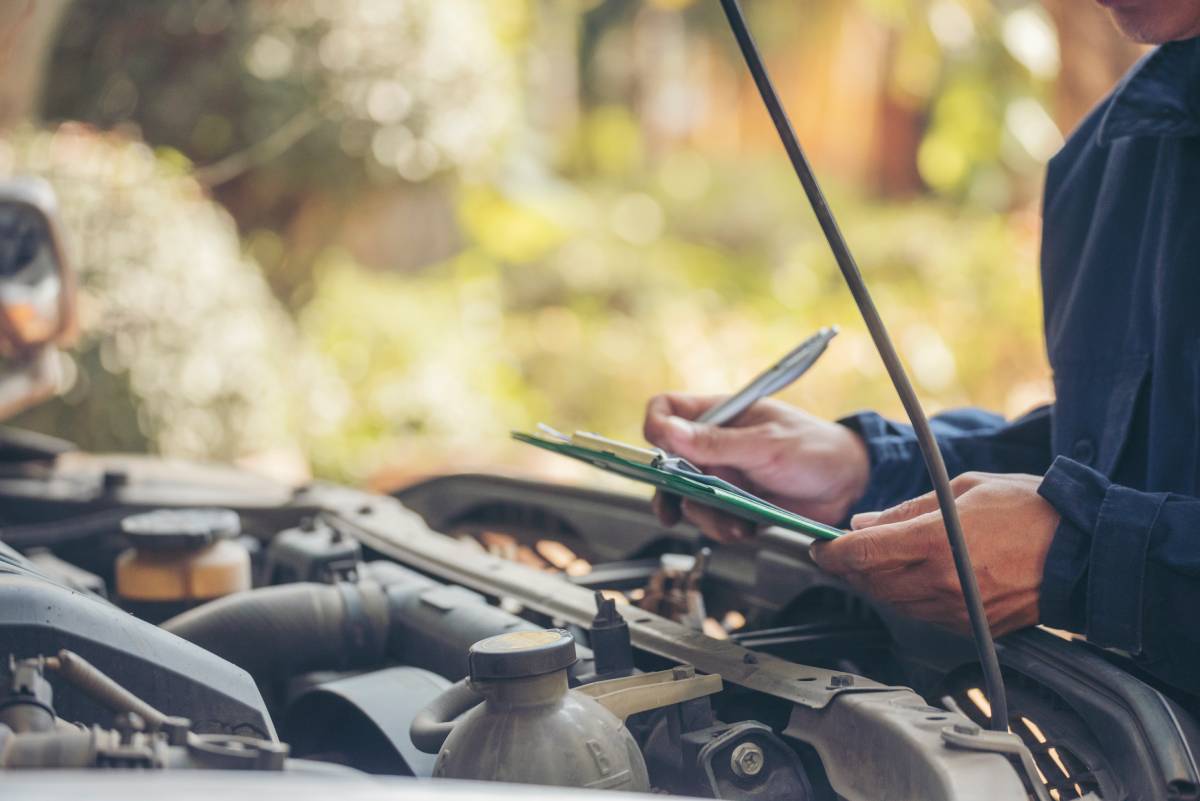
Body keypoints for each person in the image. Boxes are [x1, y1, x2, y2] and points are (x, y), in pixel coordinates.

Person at [643, 0, 1200, 698]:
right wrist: (862, 470)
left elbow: (1100, 525)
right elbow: (1129, 455)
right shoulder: (1113, 155)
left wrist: (1088, 556)